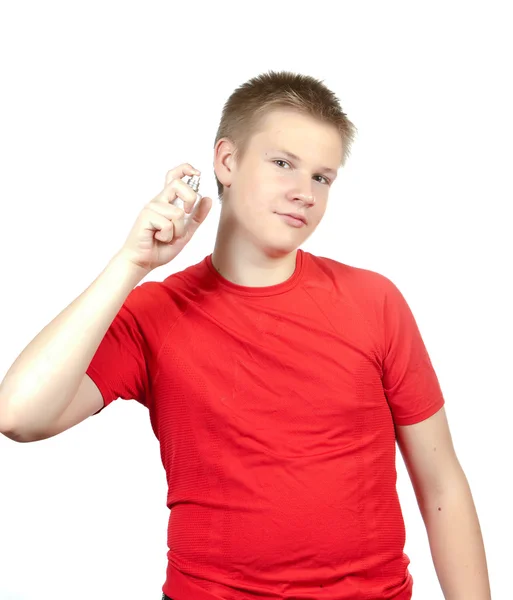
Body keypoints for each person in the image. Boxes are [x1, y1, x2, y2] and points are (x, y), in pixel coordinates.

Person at [0, 70, 491, 600]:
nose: (304, 193)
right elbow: (20, 415)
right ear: (227, 162)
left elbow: (441, 485)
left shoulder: (375, 302)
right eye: (283, 163)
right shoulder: (155, 314)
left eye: (322, 178)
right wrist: (130, 264)